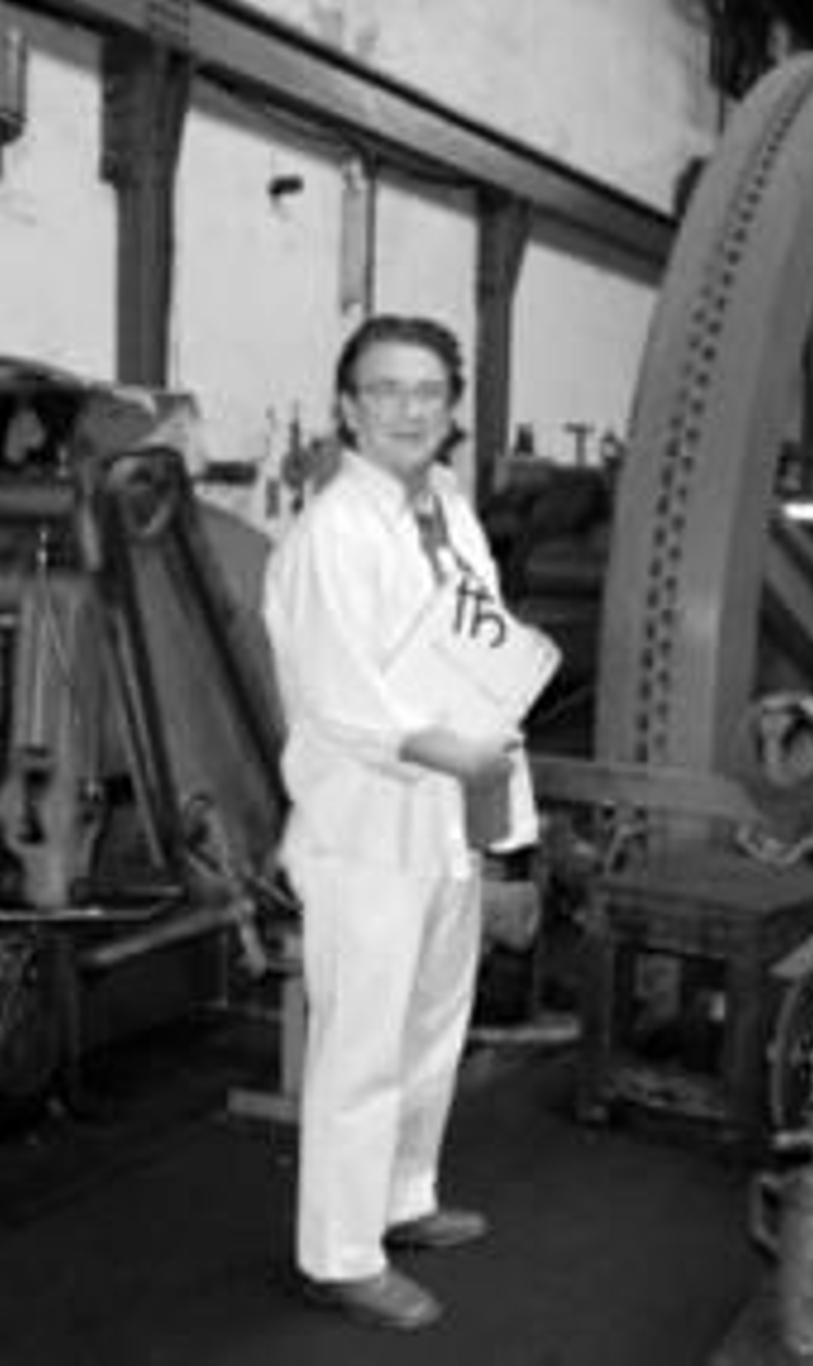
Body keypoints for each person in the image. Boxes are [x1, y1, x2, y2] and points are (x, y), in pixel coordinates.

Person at [263, 314, 529, 1331]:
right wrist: (447, 752)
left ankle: (401, 1198)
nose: (410, 409)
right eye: (386, 390)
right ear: (347, 407)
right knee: (360, 1045)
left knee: (432, 1024)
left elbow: (485, 647)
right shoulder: (332, 531)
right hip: (367, 827)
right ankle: (337, 1253)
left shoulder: (450, 512)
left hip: (448, 817)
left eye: (428, 391)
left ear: (451, 411)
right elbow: (341, 698)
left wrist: (499, 798)